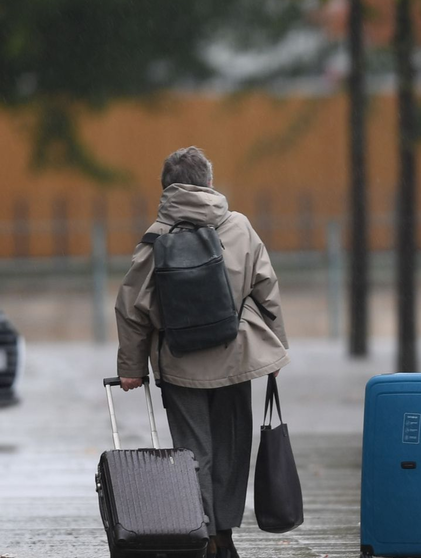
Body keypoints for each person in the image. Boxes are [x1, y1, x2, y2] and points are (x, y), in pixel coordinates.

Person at [116, 146, 290, 558]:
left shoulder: (156, 237)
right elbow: (268, 290)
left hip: (180, 362)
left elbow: (131, 307)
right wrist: (277, 350)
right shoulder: (240, 226)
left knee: (194, 453)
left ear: (166, 188)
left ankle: (205, 533)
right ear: (210, 182)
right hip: (237, 356)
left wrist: (131, 367)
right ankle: (225, 534)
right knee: (231, 449)